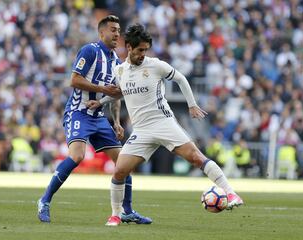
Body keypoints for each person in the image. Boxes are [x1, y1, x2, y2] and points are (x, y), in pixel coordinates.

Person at [86, 24, 244, 226]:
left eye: (146, 50)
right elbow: (118, 92)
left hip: (163, 122)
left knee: (196, 157)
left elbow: (180, 78)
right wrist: (100, 102)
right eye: (140, 50)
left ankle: (231, 194)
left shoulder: (156, 65)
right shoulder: (120, 70)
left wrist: (192, 104)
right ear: (129, 48)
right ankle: (116, 214)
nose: (143, 54)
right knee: (119, 171)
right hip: (141, 130)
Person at [37, 16, 152, 224]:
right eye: (113, 30)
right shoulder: (89, 51)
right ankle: (44, 200)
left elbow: (115, 95)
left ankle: (126, 210)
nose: (117, 34)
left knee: (123, 163)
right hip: (78, 112)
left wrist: (116, 121)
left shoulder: (117, 62)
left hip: (99, 117)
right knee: (77, 156)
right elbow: (74, 80)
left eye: (119, 30)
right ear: (102, 33)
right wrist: (101, 89)